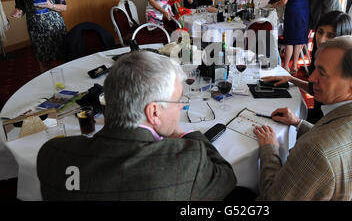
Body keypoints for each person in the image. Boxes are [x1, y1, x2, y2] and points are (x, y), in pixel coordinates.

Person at [37, 51, 237, 200]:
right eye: (178, 101)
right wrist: (181, 133)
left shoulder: (51, 154)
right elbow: (226, 177)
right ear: (154, 112)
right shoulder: (187, 160)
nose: (181, 107)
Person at [253, 36, 352, 200]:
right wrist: (298, 123)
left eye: (322, 73)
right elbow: (344, 150)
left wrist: (269, 149)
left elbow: (272, 198)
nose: (311, 78)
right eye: (315, 68)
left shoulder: (316, 150)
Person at [262, 10, 352, 124]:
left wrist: (297, 122)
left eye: (330, 36)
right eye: (320, 32)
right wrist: (291, 79)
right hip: (317, 114)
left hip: (325, 123)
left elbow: (332, 123)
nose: (322, 39)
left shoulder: (343, 70)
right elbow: (316, 89)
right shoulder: (321, 55)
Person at [271, 0, 310, 74]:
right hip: (304, 12)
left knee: (289, 40)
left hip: (293, 12)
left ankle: (286, 66)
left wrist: (272, 5)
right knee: (299, 40)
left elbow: (284, 1)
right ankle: (294, 66)